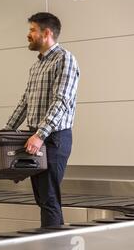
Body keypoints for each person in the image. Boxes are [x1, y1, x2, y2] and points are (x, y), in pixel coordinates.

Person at [4, 12, 80, 227]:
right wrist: (5, 133)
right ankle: (51, 247)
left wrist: (40, 134)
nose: (28, 35)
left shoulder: (65, 59)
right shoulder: (37, 66)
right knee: (42, 198)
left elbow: (62, 101)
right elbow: (25, 102)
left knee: (49, 198)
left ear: (46, 33)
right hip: (36, 137)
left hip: (54, 138)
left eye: (32, 30)